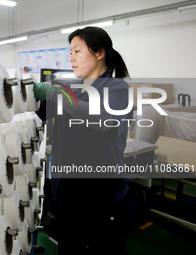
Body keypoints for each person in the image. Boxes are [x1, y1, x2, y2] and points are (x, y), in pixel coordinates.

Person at [34, 27, 132, 254]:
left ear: (100, 53)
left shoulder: (117, 89)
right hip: (68, 198)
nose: (71, 57)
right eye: (70, 52)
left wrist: (56, 94)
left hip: (101, 201)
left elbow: (102, 121)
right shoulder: (72, 90)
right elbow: (33, 116)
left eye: (77, 50)